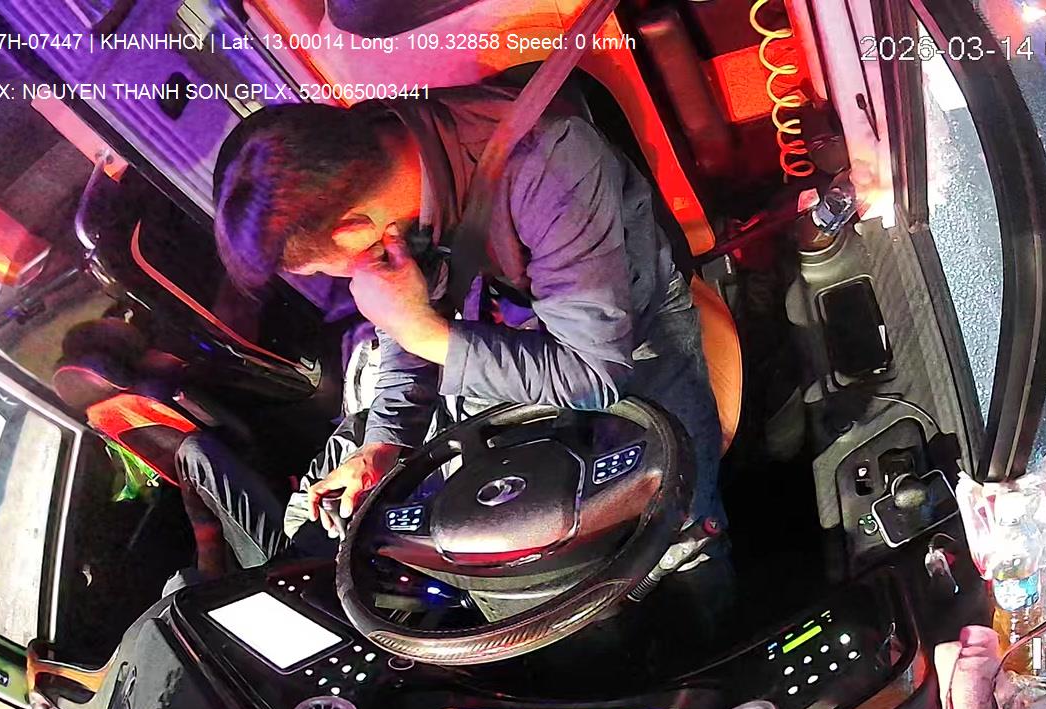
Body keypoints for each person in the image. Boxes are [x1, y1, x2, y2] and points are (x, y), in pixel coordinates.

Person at [180, 84, 724, 570]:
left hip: (635, 334)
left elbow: (594, 374)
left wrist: (425, 332)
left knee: (678, 534)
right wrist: (383, 444)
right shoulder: (383, 175)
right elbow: (404, 313)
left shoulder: (548, 163)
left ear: (353, 230)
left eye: (326, 268)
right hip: (529, 324)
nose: (335, 279)